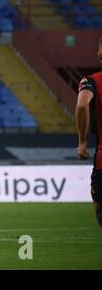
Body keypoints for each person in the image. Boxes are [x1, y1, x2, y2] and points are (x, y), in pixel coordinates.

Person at [75, 37, 102, 229]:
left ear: (100, 55)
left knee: (99, 205)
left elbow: (82, 105)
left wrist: (82, 142)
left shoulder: (92, 81)